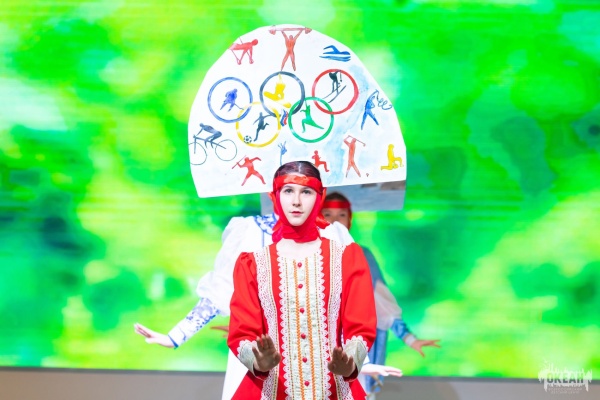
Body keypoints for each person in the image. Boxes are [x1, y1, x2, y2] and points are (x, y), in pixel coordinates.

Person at [227, 160, 377, 399]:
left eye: (306, 192)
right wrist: (258, 360)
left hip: (334, 390)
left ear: (320, 196)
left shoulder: (347, 258)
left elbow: (361, 326)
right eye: (288, 191)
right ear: (275, 196)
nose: (296, 201)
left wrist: (349, 363)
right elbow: (242, 331)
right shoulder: (252, 264)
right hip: (269, 391)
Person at [321, 192, 441, 398]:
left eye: (341, 215)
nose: (335, 221)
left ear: (350, 219)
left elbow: (382, 302)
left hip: (354, 347)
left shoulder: (362, 255)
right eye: (328, 215)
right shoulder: (304, 255)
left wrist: (409, 338)